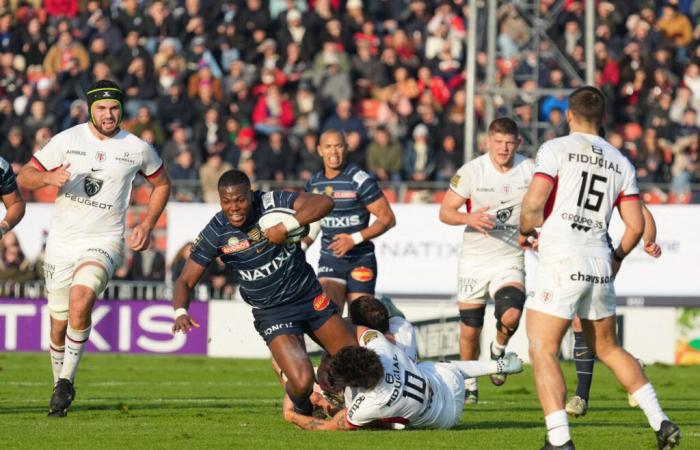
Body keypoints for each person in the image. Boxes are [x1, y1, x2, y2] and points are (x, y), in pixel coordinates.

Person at [519, 86, 679, 450]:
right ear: (602, 118)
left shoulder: (556, 149)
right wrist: (617, 257)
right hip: (599, 262)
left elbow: (533, 204)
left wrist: (526, 230)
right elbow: (636, 226)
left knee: (542, 347)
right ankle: (661, 421)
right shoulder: (621, 161)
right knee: (609, 348)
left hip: (562, 258)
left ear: (569, 116)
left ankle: (559, 440)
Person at [17, 80, 171, 417]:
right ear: (90, 109)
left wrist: (145, 224)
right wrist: (46, 179)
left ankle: (66, 381)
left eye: (114, 108)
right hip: (61, 243)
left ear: (121, 109)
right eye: (101, 108)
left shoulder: (137, 147)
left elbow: (162, 183)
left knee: (81, 299)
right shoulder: (66, 140)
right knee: (58, 324)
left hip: (105, 241)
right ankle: (59, 384)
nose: (108, 114)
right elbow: (25, 176)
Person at [171, 170, 357, 419]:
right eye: (227, 201)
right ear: (219, 200)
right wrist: (181, 311)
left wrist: (286, 226)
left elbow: (325, 202)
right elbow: (185, 280)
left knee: (355, 363)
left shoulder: (270, 202)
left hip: (308, 297)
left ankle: (335, 387)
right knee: (301, 382)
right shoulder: (215, 232)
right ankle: (301, 406)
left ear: (251, 194)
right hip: (273, 312)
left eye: (240, 200)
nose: (234, 207)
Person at [438, 117, 534, 403]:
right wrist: (469, 217)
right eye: (499, 142)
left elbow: (545, 206)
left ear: (518, 143)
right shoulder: (472, 171)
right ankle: (469, 386)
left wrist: (534, 231)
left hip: (509, 257)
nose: (504, 149)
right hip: (475, 260)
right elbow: (445, 212)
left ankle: (498, 348)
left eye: (509, 143)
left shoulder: (529, 170)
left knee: (512, 314)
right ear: (488, 142)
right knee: (470, 330)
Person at [282, 325, 524, 430]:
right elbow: (361, 330)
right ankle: (499, 364)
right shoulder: (382, 350)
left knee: (375, 423)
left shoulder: (369, 403)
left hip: (447, 419)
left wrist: (297, 413)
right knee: (441, 368)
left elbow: (333, 426)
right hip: (447, 384)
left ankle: (499, 365)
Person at [565, 203, 662, 418]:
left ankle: (581, 396)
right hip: (567, 251)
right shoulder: (563, 173)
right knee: (591, 328)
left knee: (583, 321)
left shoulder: (610, 172)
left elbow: (642, 213)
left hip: (597, 255)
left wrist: (649, 240)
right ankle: (631, 368)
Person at [305, 129, 396, 312]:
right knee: (329, 317)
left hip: (360, 260)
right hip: (330, 261)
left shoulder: (360, 180)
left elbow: (388, 219)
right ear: (320, 150)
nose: (334, 152)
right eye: (328, 147)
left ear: (346, 148)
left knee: (361, 321)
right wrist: (302, 246)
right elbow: (315, 223)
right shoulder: (314, 183)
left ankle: (389, 315)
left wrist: (353, 239)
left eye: (338, 146)